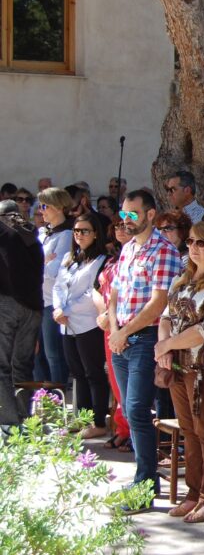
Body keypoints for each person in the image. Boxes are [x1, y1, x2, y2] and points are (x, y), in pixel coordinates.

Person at [109, 190, 183, 506]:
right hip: (122, 338)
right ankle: (143, 479)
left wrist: (123, 332)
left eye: (132, 214)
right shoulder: (128, 249)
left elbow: (158, 303)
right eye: (123, 214)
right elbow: (114, 294)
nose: (126, 220)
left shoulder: (163, 251)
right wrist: (115, 331)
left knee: (138, 409)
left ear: (150, 214)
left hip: (146, 338)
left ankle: (145, 486)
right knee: (130, 411)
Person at [154, 221, 204, 523]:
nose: (193, 248)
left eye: (201, 243)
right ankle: (193, 493)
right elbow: (165, 317)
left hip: (202, 369)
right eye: (190, 242)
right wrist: (164, 348)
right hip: (176, 367)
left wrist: (167, 344)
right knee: (189, 431)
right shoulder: (181, 279)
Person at [53, 213, 110, 438]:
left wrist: (66, 310)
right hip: (67, 325)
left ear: (95, 233)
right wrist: (58, 308)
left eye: (85, 231)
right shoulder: (70, 257)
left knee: (93, 373)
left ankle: (98, 421)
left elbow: (92, 293)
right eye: (76, 231)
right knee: (77, 373)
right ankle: (82, 419)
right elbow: (58, 286)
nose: (79, 235)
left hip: (88, 324)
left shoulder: (102, 260)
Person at [0, 203, 43, 435]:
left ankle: (8, 423)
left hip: (7, 302)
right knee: (22, 366)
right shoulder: (32, 236)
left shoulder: (3, 231)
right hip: (33, 307)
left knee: (2, 366)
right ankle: (25, 419)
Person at [94, 216, 132, 451]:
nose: (121, 229)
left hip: (128, 325)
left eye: (126, 225)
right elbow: (97, 289)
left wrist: (112, 317)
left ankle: (130, 431)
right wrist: (103, 314)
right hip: (109, 325)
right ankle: (121, 428)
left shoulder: (138, 258)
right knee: (116, 382)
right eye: (117, 225)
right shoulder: (112, 259)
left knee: (129, 384)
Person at [36, 187, 75, 385]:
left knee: (53, 354)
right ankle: (42, 396)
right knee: (37, 354)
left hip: (52, 302)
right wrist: (42, 261)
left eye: (45, 206)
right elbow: (27, 264)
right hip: (37, 300)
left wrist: (38, 263)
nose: (40, 211)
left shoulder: (66, 235)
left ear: (59, 207)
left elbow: (54, 271)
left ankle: (57, 395)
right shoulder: (43, 233)